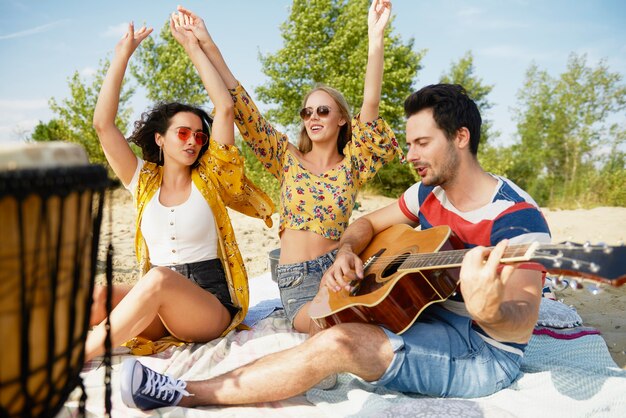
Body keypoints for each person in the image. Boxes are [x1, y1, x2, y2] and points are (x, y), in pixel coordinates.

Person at [119, 82, 552, 410]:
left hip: (481, 353)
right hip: (430, 316)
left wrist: (490, 307)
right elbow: (365, 224)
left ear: (460, 137)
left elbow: (518, 324)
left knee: (339, 342)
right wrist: (347, 250)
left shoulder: (516, 219)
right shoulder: (427, 194)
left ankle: (185, 393)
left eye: (421, 144)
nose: (408, 155)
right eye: (410, 143)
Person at [174, 0, 403, 333]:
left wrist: (376, 36)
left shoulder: (353, 164)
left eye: (323, 111)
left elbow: (370, 101)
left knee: (372, 324)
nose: (313, 117)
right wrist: (205, 42)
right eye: (307, 112)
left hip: (341, 267)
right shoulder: (287, 158)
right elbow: (243, 106)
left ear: (342, 119)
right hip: (299, 278)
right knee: (335, 329)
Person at [85, 15, 274, 361]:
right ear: (160, 138)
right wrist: (122, 56)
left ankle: (72, 358)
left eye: (199, 136)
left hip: (208, 305)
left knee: (157, 281)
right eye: (183, 133)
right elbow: (103, 125)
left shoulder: (210, 178)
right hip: (160, 306)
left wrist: (193, 46)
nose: (193, 141)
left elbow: (226, 108)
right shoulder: (143, 181)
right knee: (96, 297)